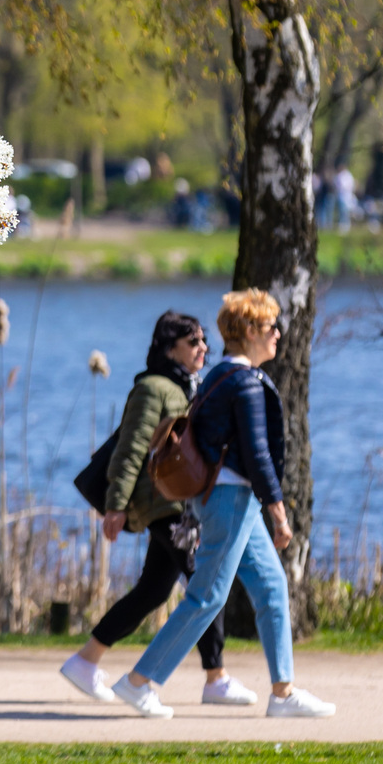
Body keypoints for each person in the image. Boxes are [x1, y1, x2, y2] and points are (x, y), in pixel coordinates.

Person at [112, 289, 336, 720]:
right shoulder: (244, 383)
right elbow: (256, 454)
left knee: (271, 586)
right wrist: (279, 512)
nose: (278, 334)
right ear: (249, 331)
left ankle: (283, 694)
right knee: (207, 596)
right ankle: (139, 682)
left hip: (230, 499)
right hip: (231, 499)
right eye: (270, 327)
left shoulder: (220, 375)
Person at [59, 311, 253, 706]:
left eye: (203, 340)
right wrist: (115, 506)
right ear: (168, 349)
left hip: (178, 503)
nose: (203, 348)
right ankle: (216, 677)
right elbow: (130, 448)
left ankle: (86, 660)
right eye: (193, 341)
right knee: (206, 582)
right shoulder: (153, 388)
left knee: (154, 590)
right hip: (165, 504)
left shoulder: (187, 386)